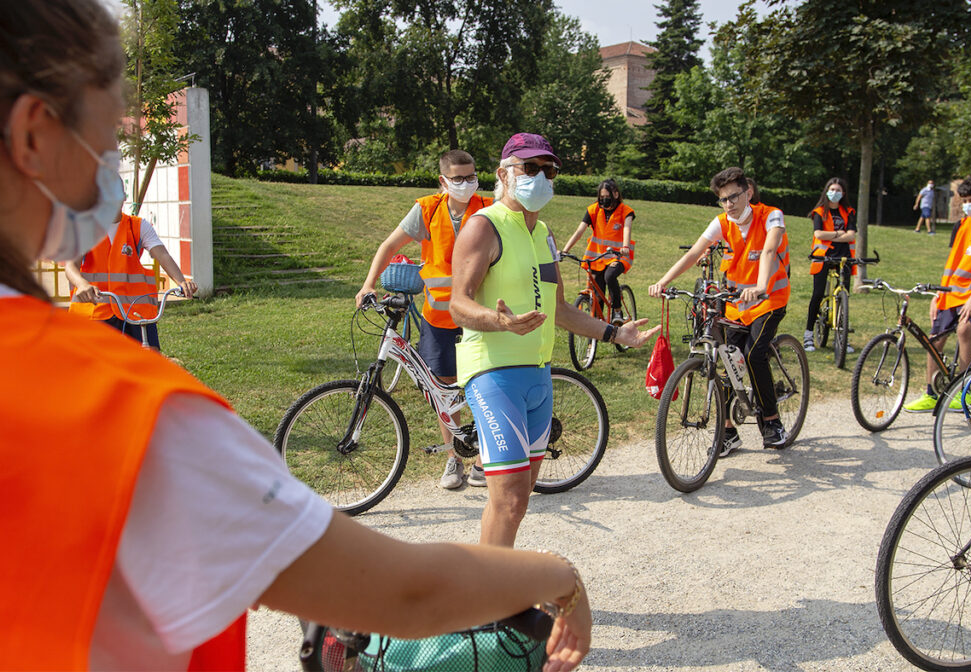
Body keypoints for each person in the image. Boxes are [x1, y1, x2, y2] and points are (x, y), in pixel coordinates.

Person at [0, 3, 590, 670]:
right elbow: (405, 592)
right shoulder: (134, 414)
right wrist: (559, 576)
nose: (114, 165)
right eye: (109, 137)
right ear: (34, 137)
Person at [449, 133, 658, 548]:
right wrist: (499, 321)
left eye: (549, 170)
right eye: (530, 168)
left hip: (538, 377)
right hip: (493, 374)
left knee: (519, 496)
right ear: (504, 175)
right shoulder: (483, 226)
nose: (541, 177)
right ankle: (489, 600)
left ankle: (491, 584)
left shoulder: (543, 232)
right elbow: (458, 304)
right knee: (507, 497)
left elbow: (560, 308)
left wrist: (615, 332)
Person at [355, 150, 490, 490]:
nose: (466, 184)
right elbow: (389, 246)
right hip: (439, 318)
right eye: (458, 178)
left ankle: (484, 458)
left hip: (479, 315)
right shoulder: (427, 210)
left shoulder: (488, 209)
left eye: (471, 176)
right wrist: (369, 283)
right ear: (443, 181)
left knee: (481, 385)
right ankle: (453, 458)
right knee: (443, 390)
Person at [648, 167, 791, 456]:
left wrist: (761, 285)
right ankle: (727, 431)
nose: (729, 204)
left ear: (748, 192)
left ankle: (771, 421)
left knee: (752, 354)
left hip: (768, 299)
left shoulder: (772, 215)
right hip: (736, 303)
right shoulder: (722, 222)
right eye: (723, 199)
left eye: (734, 197)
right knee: (725, 357)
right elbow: (693, 253)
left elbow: (768, 251)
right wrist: (664, 281)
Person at [904, 176, 971, 412]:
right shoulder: (961, 225)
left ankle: (964, 392)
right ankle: (931, 394)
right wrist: (939, 295)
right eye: (964, 200)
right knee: (935, 339)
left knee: (964, 329)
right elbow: (952, 264)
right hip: (955, 291)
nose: (967, 205)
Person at [64, 202, 197, 349]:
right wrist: (82, 284)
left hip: (136, 311)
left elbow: (163, 255)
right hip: (96, 309)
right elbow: (70, 265)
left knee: (151, 358)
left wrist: (181, 282)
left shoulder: (138, 226)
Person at [561, 179, 635, 325]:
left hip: (618, 256)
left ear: (615, 194)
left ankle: (617, 311)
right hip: (597, 257)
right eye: (601, 197)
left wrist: (625, 246)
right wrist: (564, 250)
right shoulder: (593, 210)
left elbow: (627, 229)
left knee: (610, 276)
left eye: (607, 196)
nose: (604, 200)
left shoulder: (626, 212)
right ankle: (597, 328)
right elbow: (579, 231)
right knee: (597, 292)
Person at [803, 177, 857, 353]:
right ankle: (809, 335)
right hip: (823, 256)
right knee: (817, 294)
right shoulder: (819, 212)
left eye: (838, 190)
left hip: (844, 257)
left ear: (843, 194)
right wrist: (839, 233)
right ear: (827, 191)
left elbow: (851, 236)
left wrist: (832, 235)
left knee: (844, 296)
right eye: (832, 189)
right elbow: (818, 233)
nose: (835, 193)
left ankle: (842, 338)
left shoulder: (848, 211)